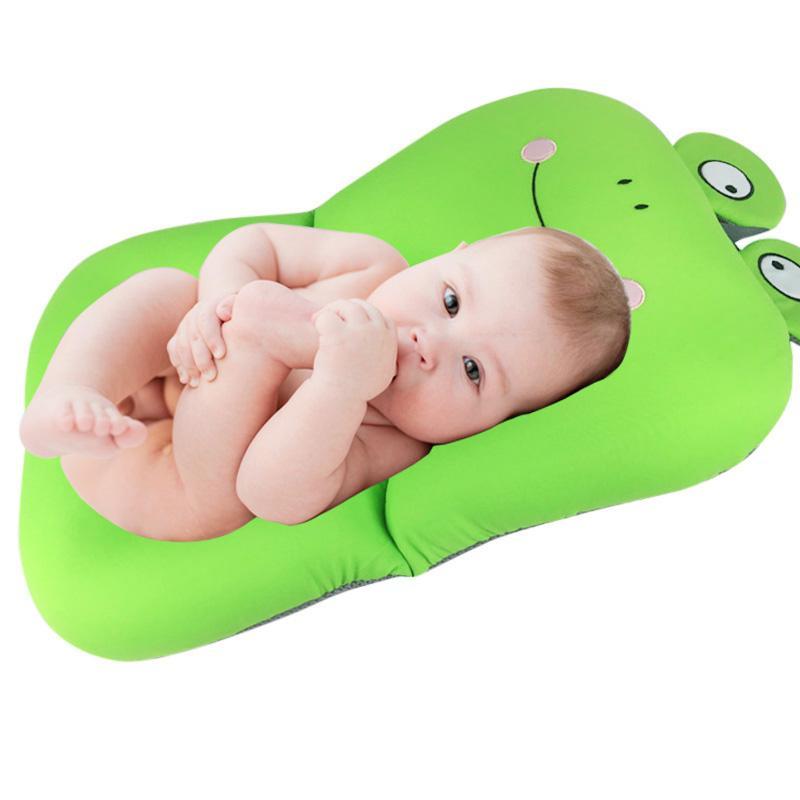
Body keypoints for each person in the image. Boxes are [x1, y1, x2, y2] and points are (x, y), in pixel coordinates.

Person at [19, 223, 632, 540]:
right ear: (452, 252)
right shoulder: (370, 264)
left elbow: (267, 494)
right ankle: (71, 394)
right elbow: (255, 243)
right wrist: (217, 304)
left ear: (497, 423)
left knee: (229, 495)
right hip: (172, 367)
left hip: (160, 472)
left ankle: (254, 335)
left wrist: (339, 387)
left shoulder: (396, 438)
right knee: (165, 289)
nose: (430, 345)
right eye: (449, 300)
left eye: (472, 371)